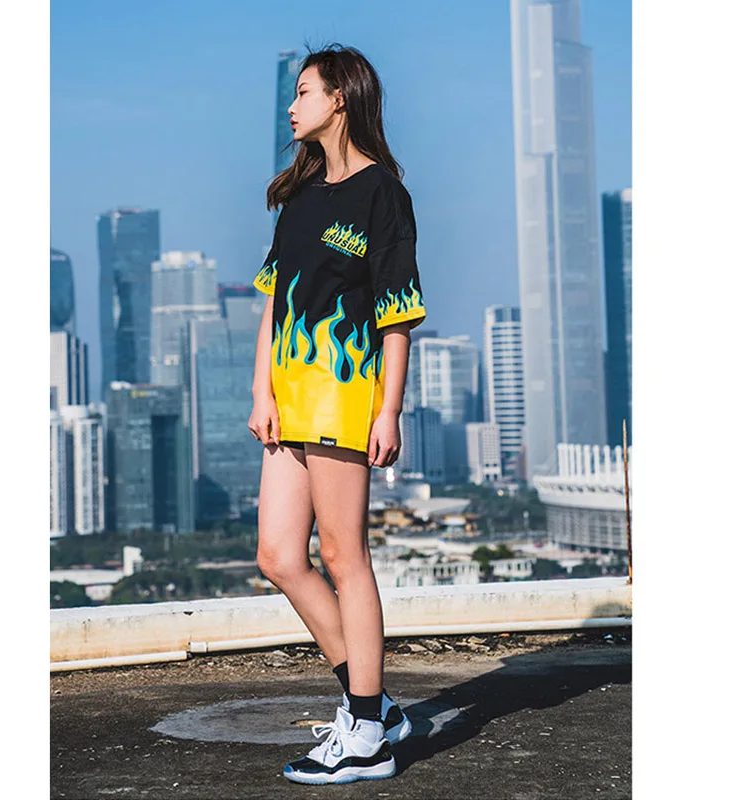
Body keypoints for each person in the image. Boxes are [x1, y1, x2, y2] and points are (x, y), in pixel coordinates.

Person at [248, 43, 426, 785]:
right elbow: (272, 302)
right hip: (289, 398)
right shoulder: (298, 195)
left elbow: (397, 314)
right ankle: (372, 705)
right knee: (279, 557)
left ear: (340, 99)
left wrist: (390, 410)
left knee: (345, 557)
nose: (292, 106)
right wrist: (262, 392)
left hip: (344, 394)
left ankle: (367, 735)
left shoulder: (382, 194)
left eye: (304, 92)